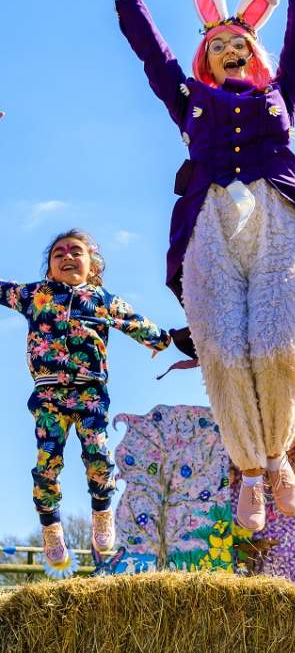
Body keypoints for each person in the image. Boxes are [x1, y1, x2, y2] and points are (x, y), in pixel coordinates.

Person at [94, 0, 295, 532]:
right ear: (206, 60)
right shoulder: (190, 98)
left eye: (239, 45)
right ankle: (249, 470)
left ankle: (277, 455)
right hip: (210, 221)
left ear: (254, 55)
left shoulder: (282, 93)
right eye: (218, 45)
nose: (230, 50)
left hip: (275, 215)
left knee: (276, 344)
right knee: (221, 349)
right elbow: (153, 55)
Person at [0, 229, 171, 575]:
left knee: (98, 455)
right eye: (59, 253)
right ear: (49, 268)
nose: (67, 256)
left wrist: (162, 340)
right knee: (47, 463)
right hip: (49, 395)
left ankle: (102, 510)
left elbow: (134, 322)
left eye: (75, 251)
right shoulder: (35, 295)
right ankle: (51, 526)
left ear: (92, 265)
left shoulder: (103, 299)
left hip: (90, 394)